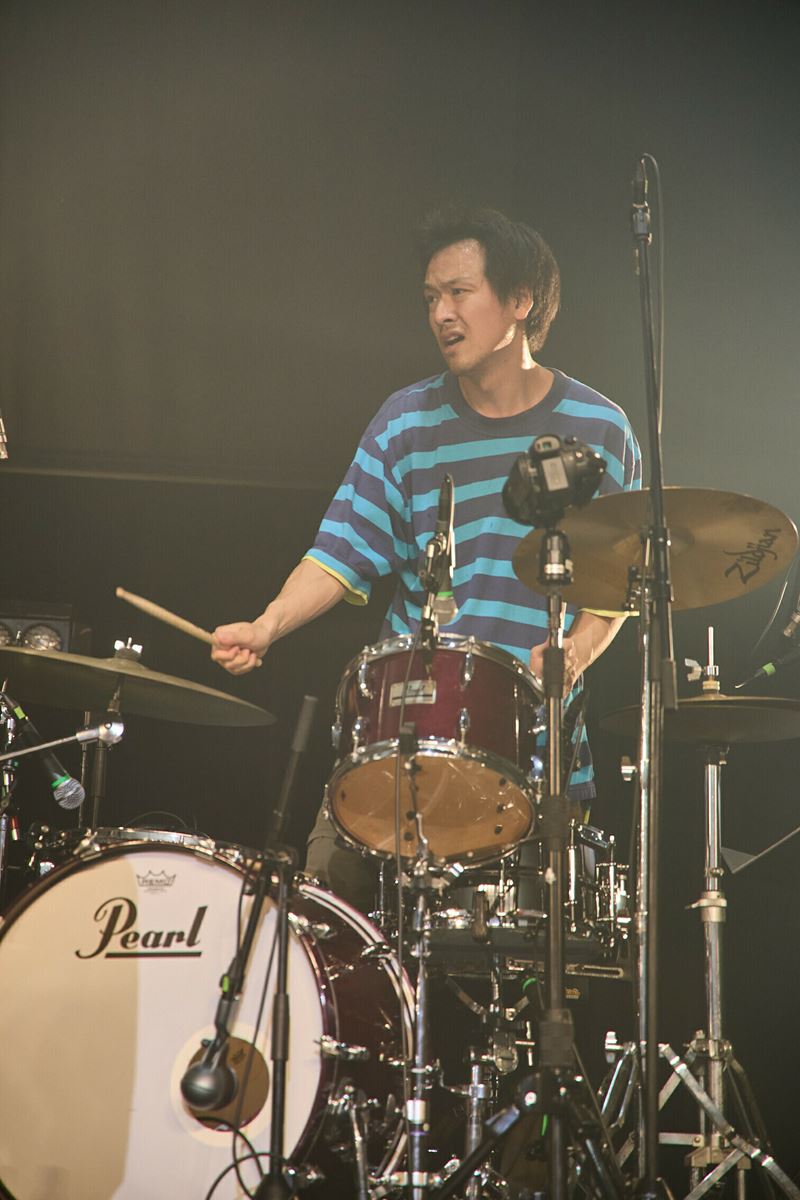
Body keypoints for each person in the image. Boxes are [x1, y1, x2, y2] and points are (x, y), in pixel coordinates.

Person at [212, 205, 641, 911]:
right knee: (326, 928)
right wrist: (267, 624)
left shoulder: (599, 427)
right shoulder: (405, 423)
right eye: (431, 298)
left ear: (521, 300)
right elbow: (339, 553)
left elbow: (620, 582)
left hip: (536, 758)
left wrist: (576, 654)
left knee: (519, 963)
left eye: (459, 293)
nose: (441, 313)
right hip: (402, 744)